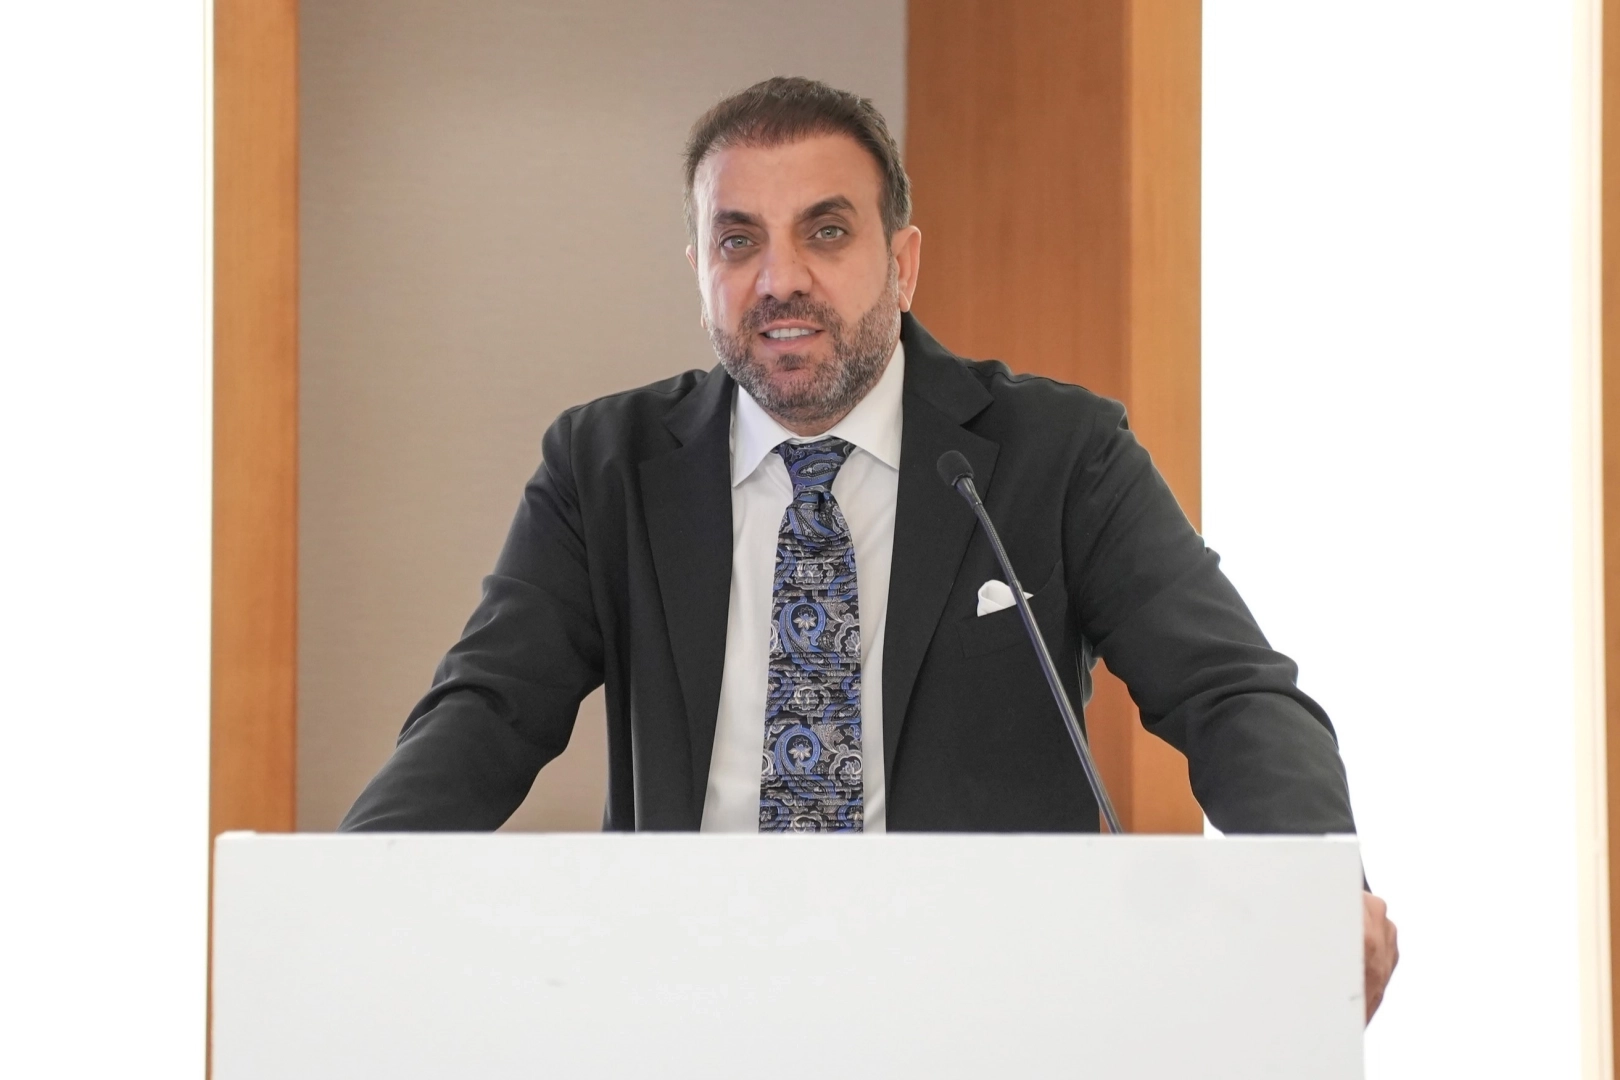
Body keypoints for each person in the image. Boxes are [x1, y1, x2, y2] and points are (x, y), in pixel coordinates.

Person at [340, 76, 1398, 1019]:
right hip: (689, 1007)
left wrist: (1316, 884)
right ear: (701, 270)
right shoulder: (605, 466)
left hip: (991, 1015)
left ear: (902, 262)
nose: (780, 278)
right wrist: (340, 891)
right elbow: (487, 711)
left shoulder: (1058, 453)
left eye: (827, 232)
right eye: (739, 240)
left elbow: (1228, 692)